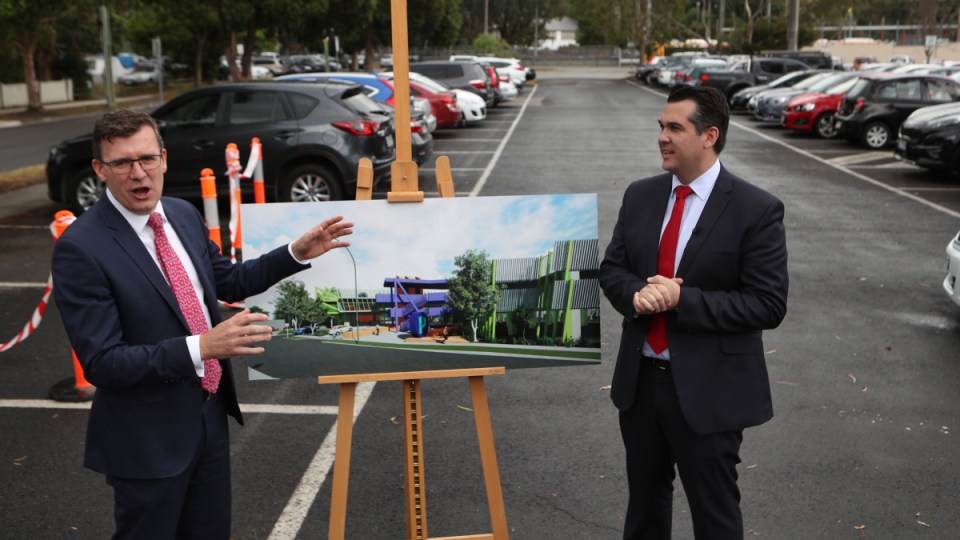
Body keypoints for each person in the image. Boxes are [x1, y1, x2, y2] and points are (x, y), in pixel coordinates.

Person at [51, 109, 353, 540]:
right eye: (122, 163)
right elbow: (102, 362)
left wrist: (296, 253)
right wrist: (201, 348)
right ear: (100, 169)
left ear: (165, 159)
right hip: (146, 442)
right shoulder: (81, 248)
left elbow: (227, 280)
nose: (138, 174)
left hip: (209, 419)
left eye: (147, 159)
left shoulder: (181, 214)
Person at [598, 86, 788, 539]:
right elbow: (613, 268)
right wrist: (637, 294)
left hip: (710, 393)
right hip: (641, 385)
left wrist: (683, 299)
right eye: (661, 127)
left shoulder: (755, 209)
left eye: (674, 128)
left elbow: (768, 303)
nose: (662, 137)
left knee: (715, 516)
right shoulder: (641, 195)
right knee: (644, 509)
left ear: (709, 135)